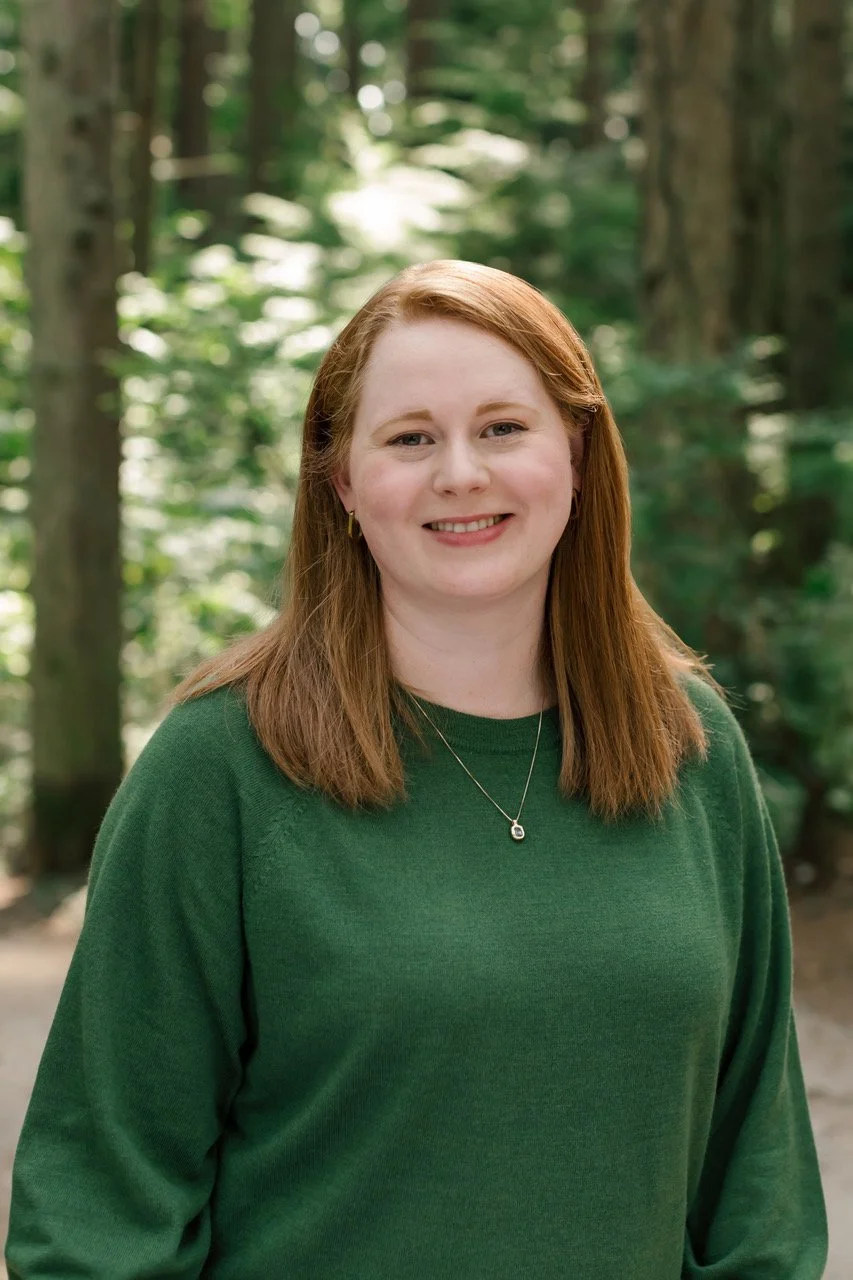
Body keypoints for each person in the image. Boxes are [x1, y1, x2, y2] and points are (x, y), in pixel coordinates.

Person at [6, 260, 827, 1279]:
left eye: (501, 427)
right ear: (342, 481)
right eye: (409, 438)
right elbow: (96, 1202)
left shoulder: (684, 743)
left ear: (575, 451)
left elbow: (761, 1185)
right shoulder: (221, 764)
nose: (460, 473)